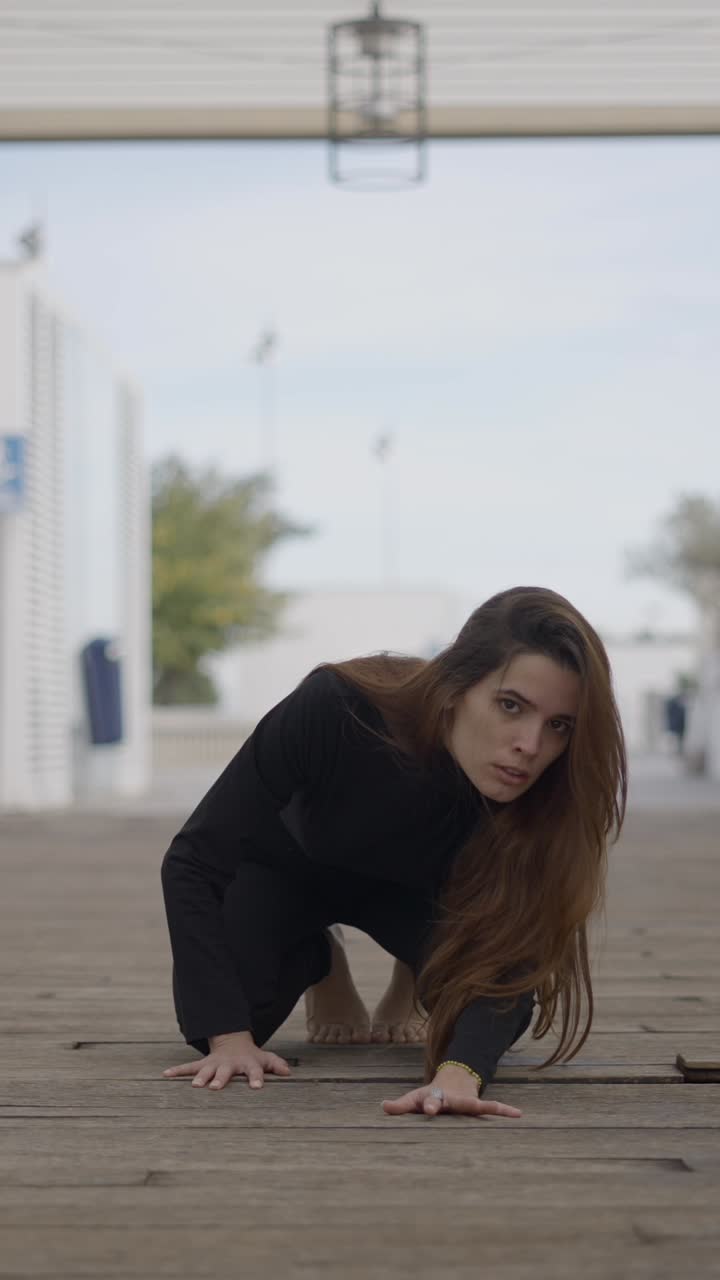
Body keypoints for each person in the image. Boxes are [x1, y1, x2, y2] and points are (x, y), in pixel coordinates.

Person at [160, 585, 626, 1121]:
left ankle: (413, 969)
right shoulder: (339, 705)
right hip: (289, 868)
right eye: (510, 705)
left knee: (472, 1012)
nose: (530, 744)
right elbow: (193, 859)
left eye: (558, 725)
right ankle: (323, 958)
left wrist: (459, 1073)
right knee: (216, 1030)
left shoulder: (537, 800)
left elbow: (509, 967)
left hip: (414, 894)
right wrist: (229, 1038)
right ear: (457, 686)